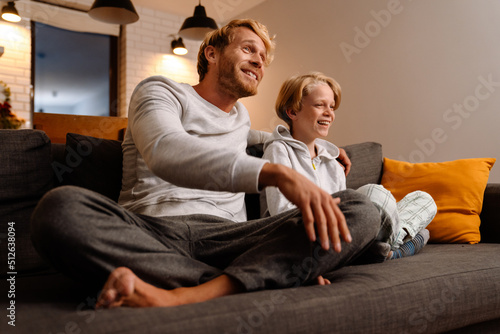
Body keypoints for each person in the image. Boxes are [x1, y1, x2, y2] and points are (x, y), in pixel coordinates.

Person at [30, 20, 382, 309]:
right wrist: (274, 173)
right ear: (211, 53)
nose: (259, 61)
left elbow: (269, 136)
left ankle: (181, 292)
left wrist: (325, 146)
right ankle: (248, 279)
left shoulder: (241, 119)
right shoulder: (160, 92)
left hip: (228, 238)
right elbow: (166, 150)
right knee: (58, 209)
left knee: (361, 209)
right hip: (152, 230)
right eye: (248, 49)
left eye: (263, 57)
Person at [260, 72, 437, 261]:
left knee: (424, 200)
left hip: (347, 231)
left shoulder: (333, 161)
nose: (329, 113)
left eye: (332, 106)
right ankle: (389, 248)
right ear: (292, 111)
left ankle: (382, 249)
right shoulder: (279, 151)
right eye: (320, 105)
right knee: (374, 193)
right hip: (311, 234)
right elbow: (282, 211)